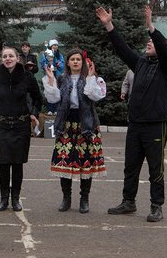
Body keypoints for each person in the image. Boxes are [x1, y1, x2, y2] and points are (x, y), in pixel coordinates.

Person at [96, 5, 167, 222]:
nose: (149, 43)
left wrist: (151, 27)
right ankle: (128, 201)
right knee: (130, 166)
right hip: (136, 124)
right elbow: (122, 48)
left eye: (152, 42)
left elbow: (164, 49)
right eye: (148, 41)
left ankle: (156, 206)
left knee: (155, 168)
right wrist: (109, 25)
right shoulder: (140, 63)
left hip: (155, 125)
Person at [42, 49, 107, 213]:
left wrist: (91, 78)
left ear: (83, 62)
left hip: (87, 125)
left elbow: (96, 97)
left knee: (86, 162)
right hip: (66, 125)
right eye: (72, 59)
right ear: (68, 62)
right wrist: (51, 80)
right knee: (64, 162)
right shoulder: (62, 78)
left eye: (78, 59)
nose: (76, 62)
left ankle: (84, 199)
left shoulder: (91, 78)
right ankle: (66, 198)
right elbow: (54, 99)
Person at [0, 46, 41, 212]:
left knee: (17, 163)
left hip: (21, 125)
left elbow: (38, 98)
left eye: (11, 56)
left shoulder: (27, 76)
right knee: (4, 162)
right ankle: (3, 199)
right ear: (2, 59)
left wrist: (34, 113)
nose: (8, 59)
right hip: (2, 125)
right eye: (5, 56)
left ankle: (15, 199)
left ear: (17, 58)